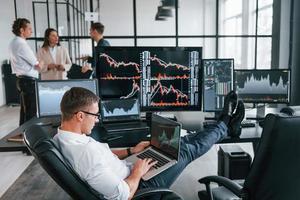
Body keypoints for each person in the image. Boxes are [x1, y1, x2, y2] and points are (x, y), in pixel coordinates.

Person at [54, 88, 245, 199]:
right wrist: (138, 171)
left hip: (130, 170)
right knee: (184, 151)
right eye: (95, 115)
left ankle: (224, 125)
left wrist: (131, 150)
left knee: (179, 142)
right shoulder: (84, 153)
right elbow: (122, 195)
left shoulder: (62, 137)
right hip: (140, 188)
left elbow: (103, 159)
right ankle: (225, 124)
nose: (97, 120)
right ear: (80, 116)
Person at [8, 18, 41, 128]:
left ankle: (23, 134)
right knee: (31, 112)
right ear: (22, 30)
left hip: (22, 80)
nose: (31, 31)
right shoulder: (22, 44)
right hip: (28, 81)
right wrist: (43, 62)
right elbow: (37, 65)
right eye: (29, 29)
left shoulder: (13, 42)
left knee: (25, 111)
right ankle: (30, 137)